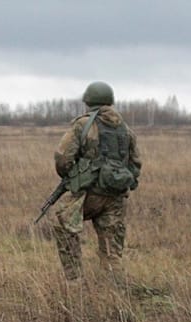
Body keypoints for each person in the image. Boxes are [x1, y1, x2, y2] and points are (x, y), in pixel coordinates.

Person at [52, 80, 142, 283]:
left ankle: (74, 281)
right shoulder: (125, 129)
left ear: (89, 101)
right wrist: (124, 183)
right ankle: (115, 290)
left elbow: (62, 158)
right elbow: (136, 163)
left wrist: (73, 177)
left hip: (88, 194)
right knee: (112, 248)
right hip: (116, 195)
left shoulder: (83, 125)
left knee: (63, 224)